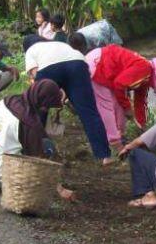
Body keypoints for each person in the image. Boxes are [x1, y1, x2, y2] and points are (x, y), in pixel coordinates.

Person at [0, 79, 75, 202]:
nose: (46, 110)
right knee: (47, 147)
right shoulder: (29, 124)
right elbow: (40, 162)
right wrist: (60, 189)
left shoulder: (6, 101)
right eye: (47, 106)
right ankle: (8, 182)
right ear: (42, 103)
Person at [21, 34, 112, 166]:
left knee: (39, 110)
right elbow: (65, 71)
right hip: (78, 62)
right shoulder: (59, 44)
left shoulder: (31, 50)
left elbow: (37, 79)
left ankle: (34, 152)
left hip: (49, 67)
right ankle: (105, 155)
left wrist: (50, 98)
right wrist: (62, 91)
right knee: (89, 112)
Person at [87, 44, 156, 146]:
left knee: (120, 106)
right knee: (109, 106)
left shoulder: (146, 77)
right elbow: (119, 85)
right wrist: (128, 108)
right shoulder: (144, 69)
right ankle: (115, 142)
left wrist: (142, 125)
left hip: (103, 64)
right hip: (98, 64)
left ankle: (119, 136)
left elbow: (140, 102)